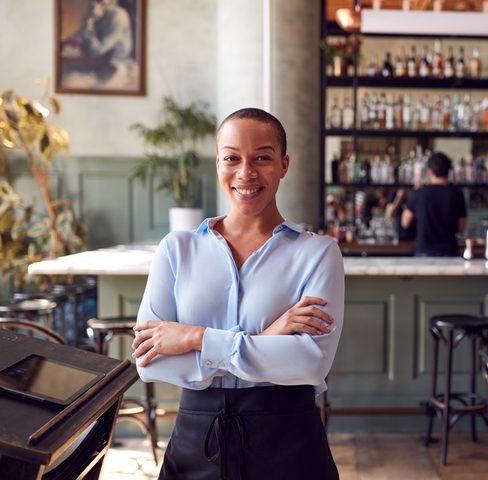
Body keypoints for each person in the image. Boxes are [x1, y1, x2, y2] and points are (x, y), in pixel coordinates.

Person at [131, 108, 343, 479]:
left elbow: (309, 362)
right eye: (232, 158)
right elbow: (150, 361)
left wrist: (194, 338)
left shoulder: (318, 253)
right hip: (196, 441)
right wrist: (266, 340)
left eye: (262, 157)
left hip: (290, 442)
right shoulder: (176, 250)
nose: (246, 173)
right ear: (218, 164)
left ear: (283, 164)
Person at [401, 151, 467, 256]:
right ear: (448, 171)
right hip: (449, 251)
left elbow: (405, 222)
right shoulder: (457, 194)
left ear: (430, 171)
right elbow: (461, 228)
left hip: (424, 250)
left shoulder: (418, 193)